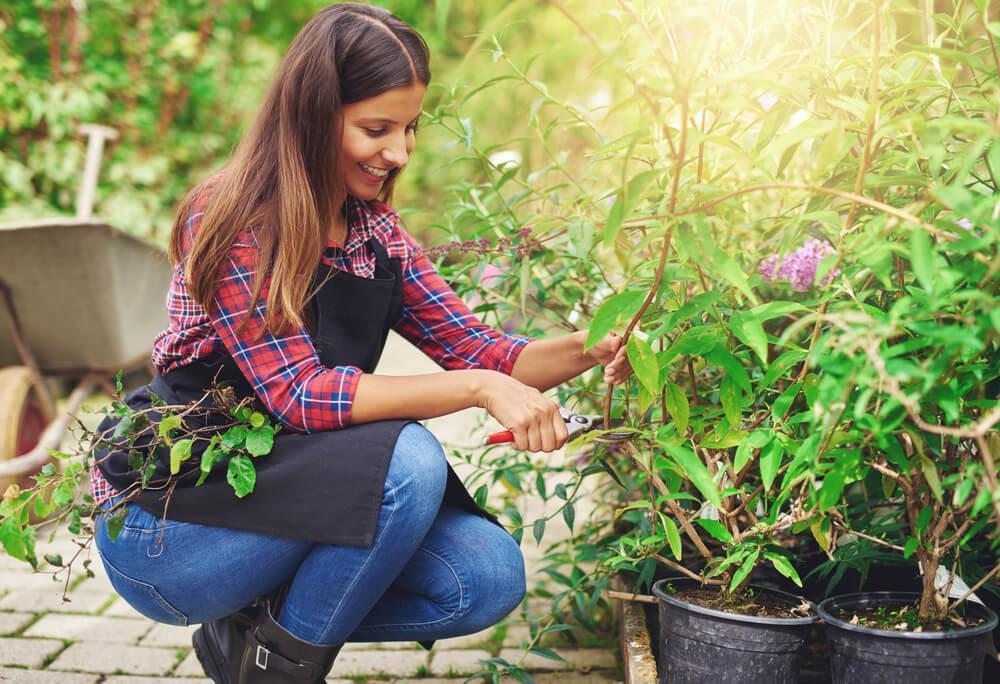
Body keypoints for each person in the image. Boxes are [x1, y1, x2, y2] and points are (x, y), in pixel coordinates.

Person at [90, 4, 632, 683]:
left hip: (290, 491)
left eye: (409, 128)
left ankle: (250, 639)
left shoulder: (375, 234)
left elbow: (489, 354)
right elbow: (301, 395)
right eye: (377, 129)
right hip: (174, 521)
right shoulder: (231, 218)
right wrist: (478, 391)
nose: (400, 152)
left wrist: (600, 342)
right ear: (314, 115)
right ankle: (275, 672)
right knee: (405, 464)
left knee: (483, 577)